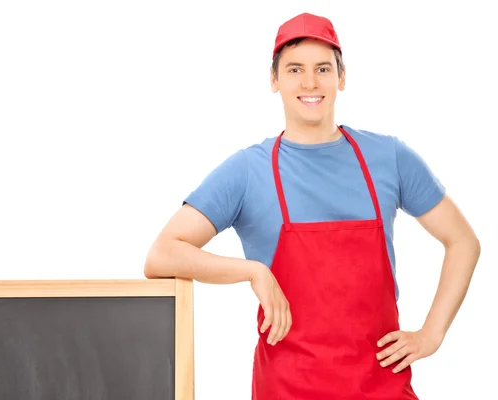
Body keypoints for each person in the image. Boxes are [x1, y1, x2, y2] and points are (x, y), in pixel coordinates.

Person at [144, 12, 481, 399]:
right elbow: (162, 254)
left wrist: (431, 334)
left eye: (323, 68)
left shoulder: (389, 157)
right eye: (294, 69)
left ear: (342, 77)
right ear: (274, 80)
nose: (310, 82)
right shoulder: (248, 171)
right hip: (287, 389)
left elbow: (463, 241)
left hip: (381, 386)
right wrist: (253, 271)